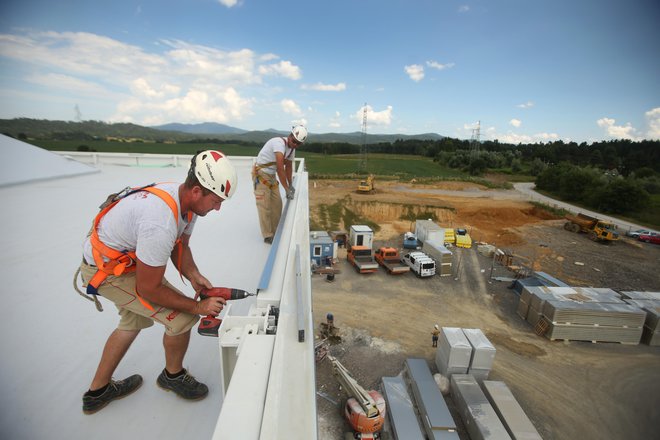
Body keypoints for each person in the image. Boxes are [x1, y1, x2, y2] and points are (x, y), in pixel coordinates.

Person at [79, 150, 237, 414]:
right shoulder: (160, 221)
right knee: (183, 319)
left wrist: (194, 275)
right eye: (216, 200)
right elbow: (148, 288)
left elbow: (180, 245)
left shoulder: (184, 201)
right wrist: (197, 307)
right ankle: (172, 376)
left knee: (132, 321)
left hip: (125, 263)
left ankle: (97, 392)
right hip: (108, 272)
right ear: (197, 191)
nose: (218, 207)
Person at [252, 125, 308, 243]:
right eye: (294, 142)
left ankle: (276, 232)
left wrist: (291, 183)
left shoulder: (291, 149)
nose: (295, 145)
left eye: (298, 144)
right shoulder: (279, 144)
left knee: (277, 204)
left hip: (271, 177)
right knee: (264, 206)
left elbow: (288, 167)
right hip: (261, 175)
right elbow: (280, 168)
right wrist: (287, 189)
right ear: (290, 135)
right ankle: (268, 235)